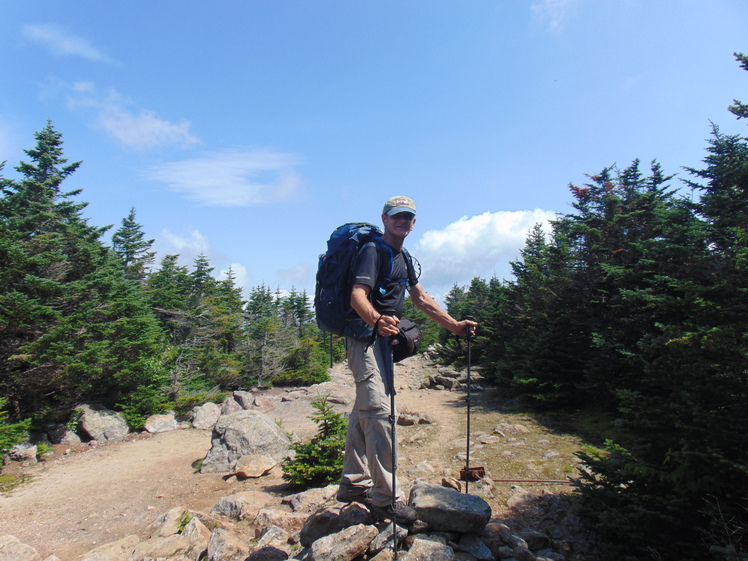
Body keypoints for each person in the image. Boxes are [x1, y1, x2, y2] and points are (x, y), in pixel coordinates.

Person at [336, 195, 478, 525]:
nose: (402, 221)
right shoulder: (373, 251)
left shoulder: (405, 258)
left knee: (365, 409)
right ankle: (385, 499)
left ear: (413, 224)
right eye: (396, 215)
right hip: (364, 338)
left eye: (408, 217)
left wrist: (454, 325)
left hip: (382, 341)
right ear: (384, 219)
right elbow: (357, 294)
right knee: (381, 413)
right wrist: (376, 319)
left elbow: (421, 299)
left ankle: (353, 483)